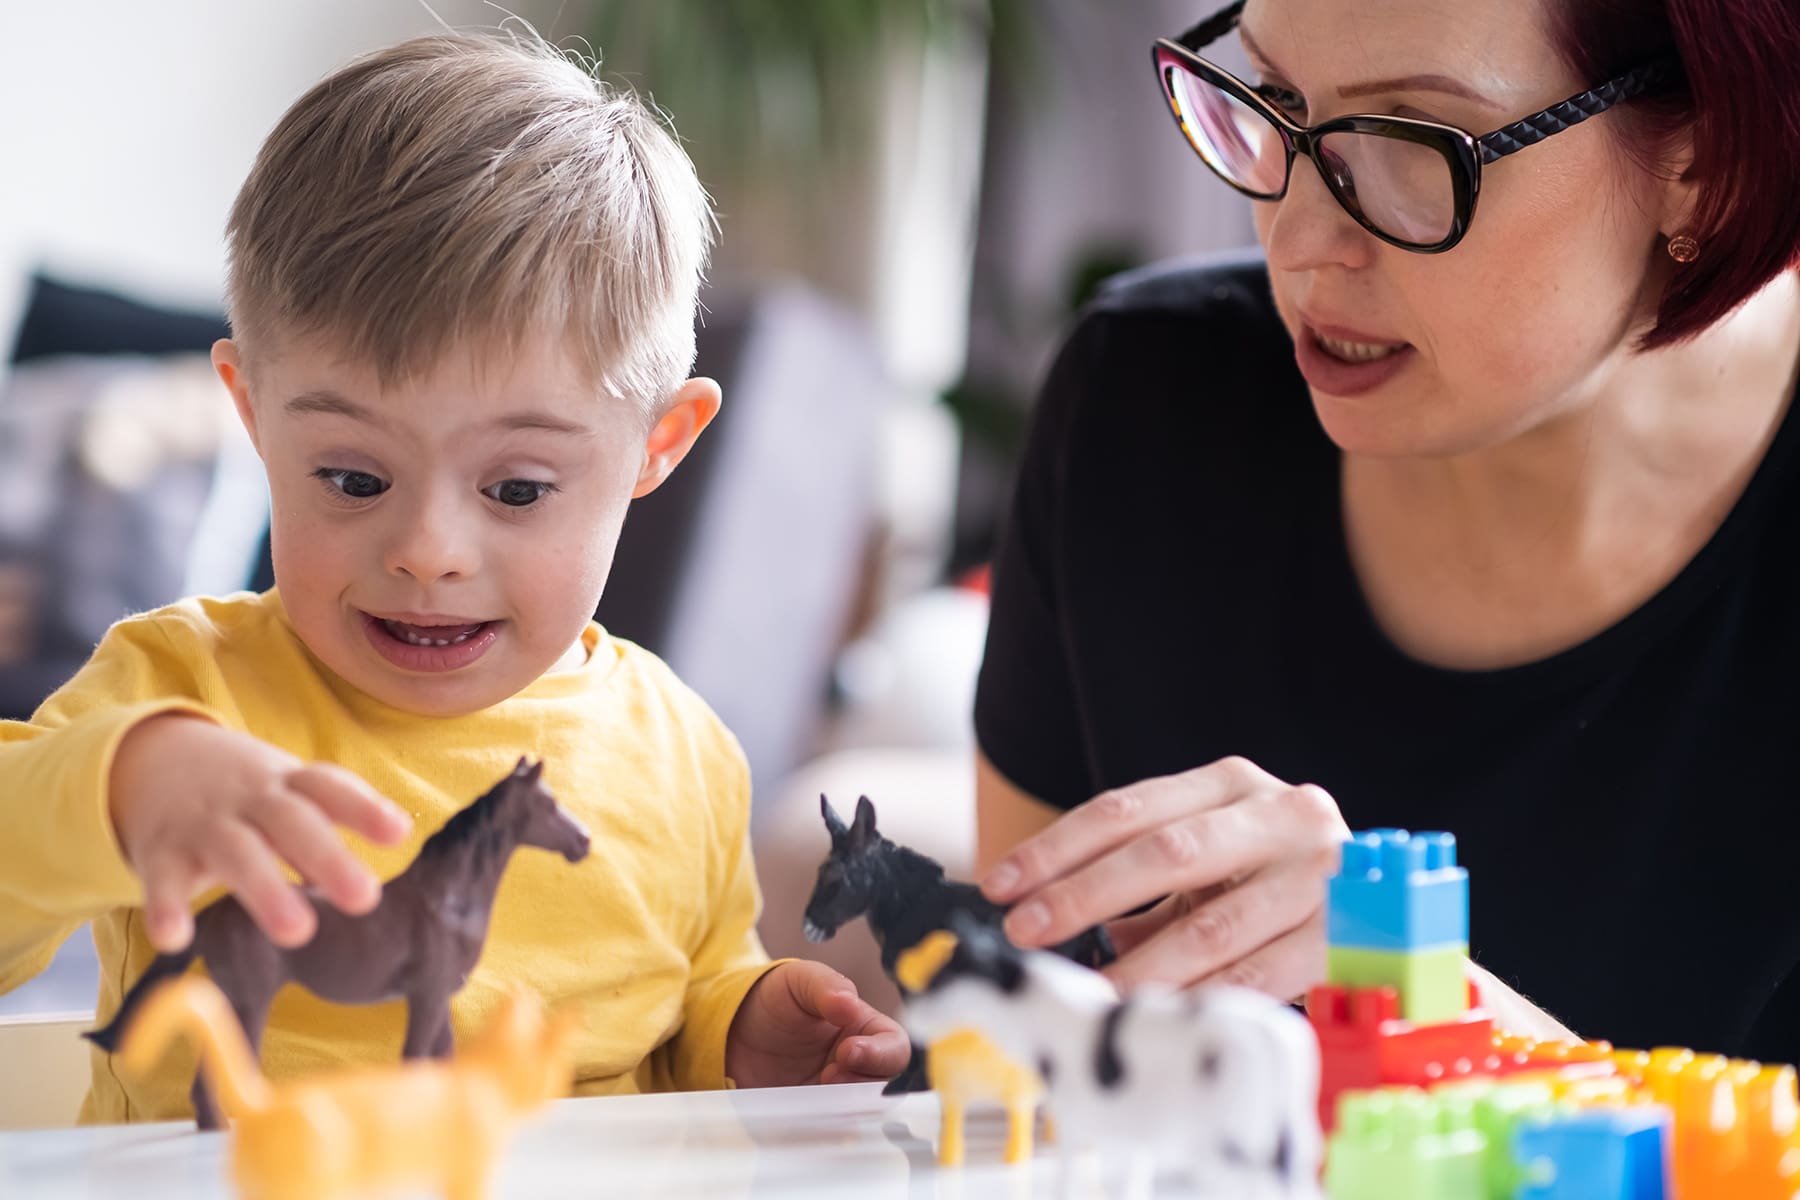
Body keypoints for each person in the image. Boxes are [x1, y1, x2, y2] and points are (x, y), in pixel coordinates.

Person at [0, 32, 906, 1123]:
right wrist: (112, 791)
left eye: (517, 490)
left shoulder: (682, 750)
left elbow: (679, 1005)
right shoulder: (179, 692)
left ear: (657, 445)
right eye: (351, 476)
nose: (428, 549)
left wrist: (743, 1028)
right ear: (251, 413)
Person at [973, 0, 1800, 1063]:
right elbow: (1016, 1082)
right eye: (1276, 101)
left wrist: (1456, 1027)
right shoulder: (1141, 412)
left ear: (1706, 160)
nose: (1299, 241)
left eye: (1412, 144)